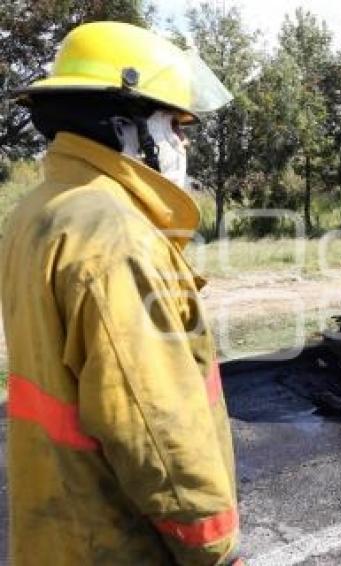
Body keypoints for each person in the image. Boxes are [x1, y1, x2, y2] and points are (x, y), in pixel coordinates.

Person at [0, 22, 242, 564]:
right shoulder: (116, 235)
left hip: (59, 532)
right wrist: (214, 547)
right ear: (125, 129)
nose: (184, 145)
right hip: (116, 541)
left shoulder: (41, 209)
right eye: (176, 127)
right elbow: (152, 428)